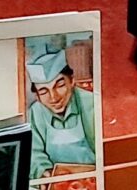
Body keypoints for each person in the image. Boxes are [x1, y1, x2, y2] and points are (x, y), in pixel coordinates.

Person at [25, 48, 99, 185]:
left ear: (72, 81)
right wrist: (44, 172)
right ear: (37, 96)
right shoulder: (36, 112)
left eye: (59, 85)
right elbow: (33, 153)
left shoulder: (91, 103)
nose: (54, 97)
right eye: (44, 91)